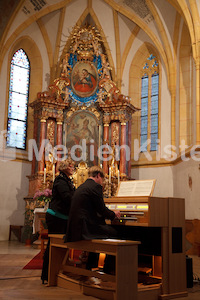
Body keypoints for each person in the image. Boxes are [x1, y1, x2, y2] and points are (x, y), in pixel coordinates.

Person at [65, 166, 120, 272]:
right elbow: (101, 210)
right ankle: (109, 270)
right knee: (116, 233)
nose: (102, 182)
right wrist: (114, 214)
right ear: (98, 176)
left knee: (102, 230)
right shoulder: (95, 187)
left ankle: (91, 266)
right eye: (102, 179)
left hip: (75, 228)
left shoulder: (82, 186)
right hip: (85, 229)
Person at [41, 158, 75, 284]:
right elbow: (67, 197)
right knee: (53, 246)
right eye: (71, 166)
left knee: (59, 246)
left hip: (62, 217)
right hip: (56, 217)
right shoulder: (60, 181)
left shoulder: (66, 180)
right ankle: (47, 274)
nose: (73, 168)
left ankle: (57, 273)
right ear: (65, 167)